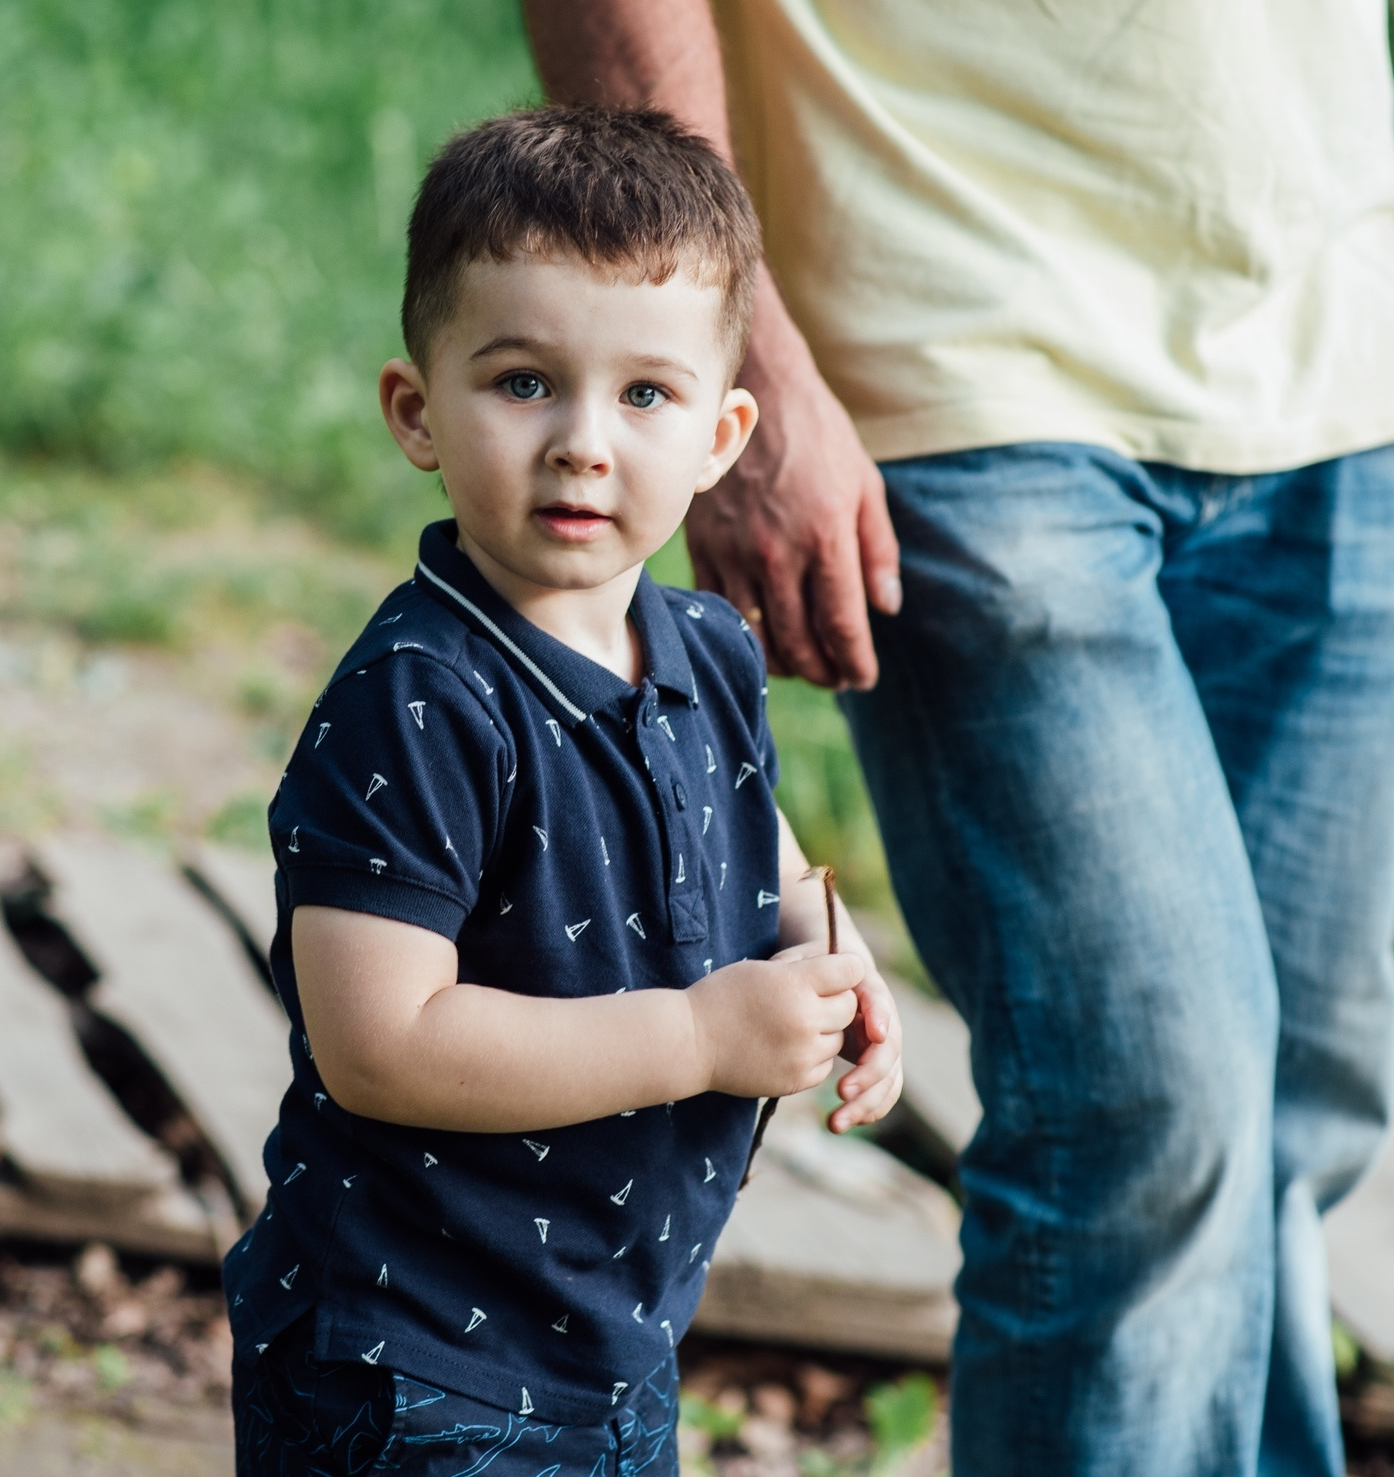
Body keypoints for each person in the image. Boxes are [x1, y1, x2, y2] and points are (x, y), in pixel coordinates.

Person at [500, 0, 1394, 1475]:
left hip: (1333, 392)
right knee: (1151, 1102)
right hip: (956, 373)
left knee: (1280, 1125)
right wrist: (740, 356)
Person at [223, 106, 906, 1475]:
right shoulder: (423, 701)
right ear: (417, 410)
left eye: (645, 395)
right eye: (526, 381)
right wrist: (701, 1039)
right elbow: (380, 1042)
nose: (584, 442)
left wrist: (825, 943)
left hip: (610, 1339)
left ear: (722, 434)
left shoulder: (707, 648)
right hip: (417, 1357)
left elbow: (744, 824)